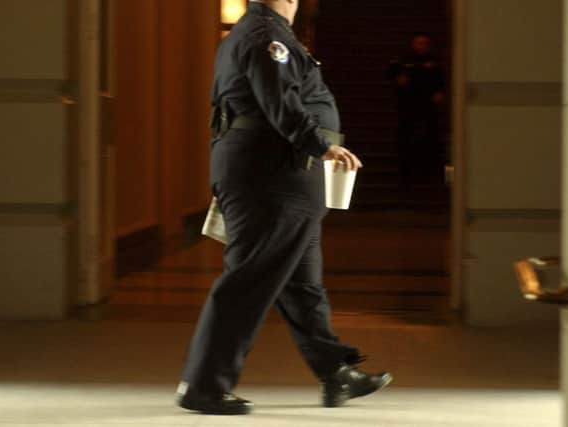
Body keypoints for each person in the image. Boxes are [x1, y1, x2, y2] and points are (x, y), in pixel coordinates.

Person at [175, 0, 393, 416]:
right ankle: (204, 385)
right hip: (274, 171)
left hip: (278, 169)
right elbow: (277, 97)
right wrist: (320, 143)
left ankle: (335, 372)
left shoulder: (263, 31)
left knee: (301, 282)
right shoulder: (265, 34)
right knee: (249, 278)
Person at [389, 33, 446, 189]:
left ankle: (428, 173)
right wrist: (399, 79)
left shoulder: (435, 60)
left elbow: (442, 77)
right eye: (418, 43)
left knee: (429, 137)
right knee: (406, 137)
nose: (421, 46)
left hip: (428, 105)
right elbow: (391, 73)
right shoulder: (405, 60)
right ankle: (405, 176)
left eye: (424, 43)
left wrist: (440, 92)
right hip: (409, 104)